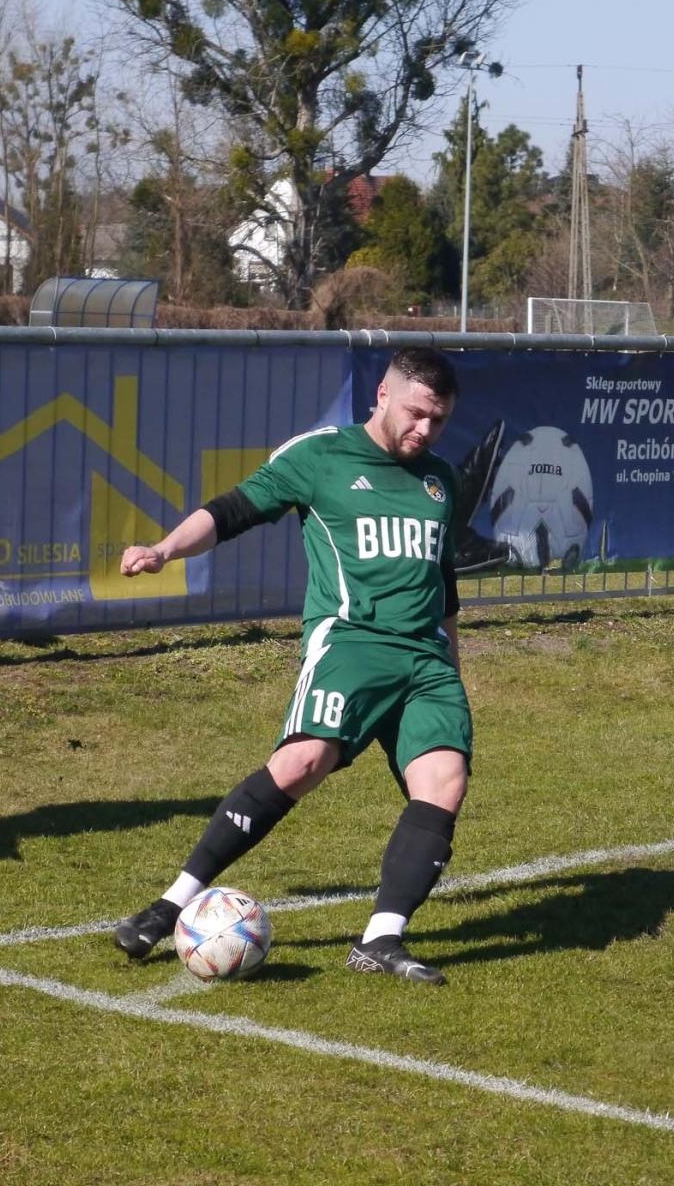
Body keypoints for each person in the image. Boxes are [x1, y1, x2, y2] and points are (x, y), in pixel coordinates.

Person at [114, 348, 471, 985]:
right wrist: (165, 548)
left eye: (438, 420)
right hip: (351, 645)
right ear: (383, 396)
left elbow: (443, 580)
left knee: (444, 781)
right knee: (301, 763)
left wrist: (452, 659)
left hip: (427, 659)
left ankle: (381, 940)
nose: (425, 430)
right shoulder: (319, 456)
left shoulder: (441, 479)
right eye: (416, 414)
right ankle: (170, 905)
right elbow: (233, 510)